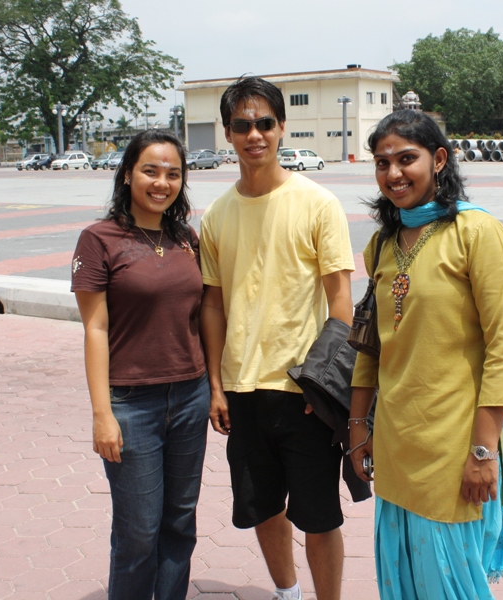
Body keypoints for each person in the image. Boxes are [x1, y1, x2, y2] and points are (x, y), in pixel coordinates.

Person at [348, 109, 503, 600]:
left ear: (439, 159)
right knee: (402, 579)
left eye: (407, 159)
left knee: (449, 583)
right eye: (382, 163)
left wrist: (484, 450)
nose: (394, 174)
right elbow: (371, 347)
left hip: (455, 443)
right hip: (397, 440)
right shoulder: (382, 245)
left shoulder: (476, 233)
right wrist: (358, 429)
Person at [200, 76, 354, 600]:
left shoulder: (317, 203)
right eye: (242, 125)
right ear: (228, 133)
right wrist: (217, 386)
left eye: (265, 123)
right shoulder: (217, 214)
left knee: (318, 515)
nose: (254, 134)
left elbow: (340, 300)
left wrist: (329, 385)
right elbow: (213, 304)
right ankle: (287, 593)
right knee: (262, 506)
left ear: (282, 127)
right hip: (243, 389)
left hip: (301, 389)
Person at [71, 130, 209, 600]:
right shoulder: (99, 238)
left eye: (173, 173)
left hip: (191, 396)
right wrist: (101, 413)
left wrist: (216, 388)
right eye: (150, 170)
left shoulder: (186, 238)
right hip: (131, 404)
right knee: (137, 533)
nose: (161, 182)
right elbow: (95, 328)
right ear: (128, 173)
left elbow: (201, 314)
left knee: (180, 523)